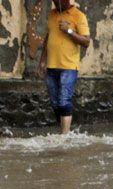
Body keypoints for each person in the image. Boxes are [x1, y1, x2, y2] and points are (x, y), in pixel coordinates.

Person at [37, 0, 90, 134]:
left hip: (69, 66)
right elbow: (48, 37)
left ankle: (64, 136)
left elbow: (86, 42)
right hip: (51, 65)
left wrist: (69, 30)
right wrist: (42, 61)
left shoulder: (79, 15)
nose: (56, 2)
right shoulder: (52, 14)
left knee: (64, 100)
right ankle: (64, 129)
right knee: (55, 103)